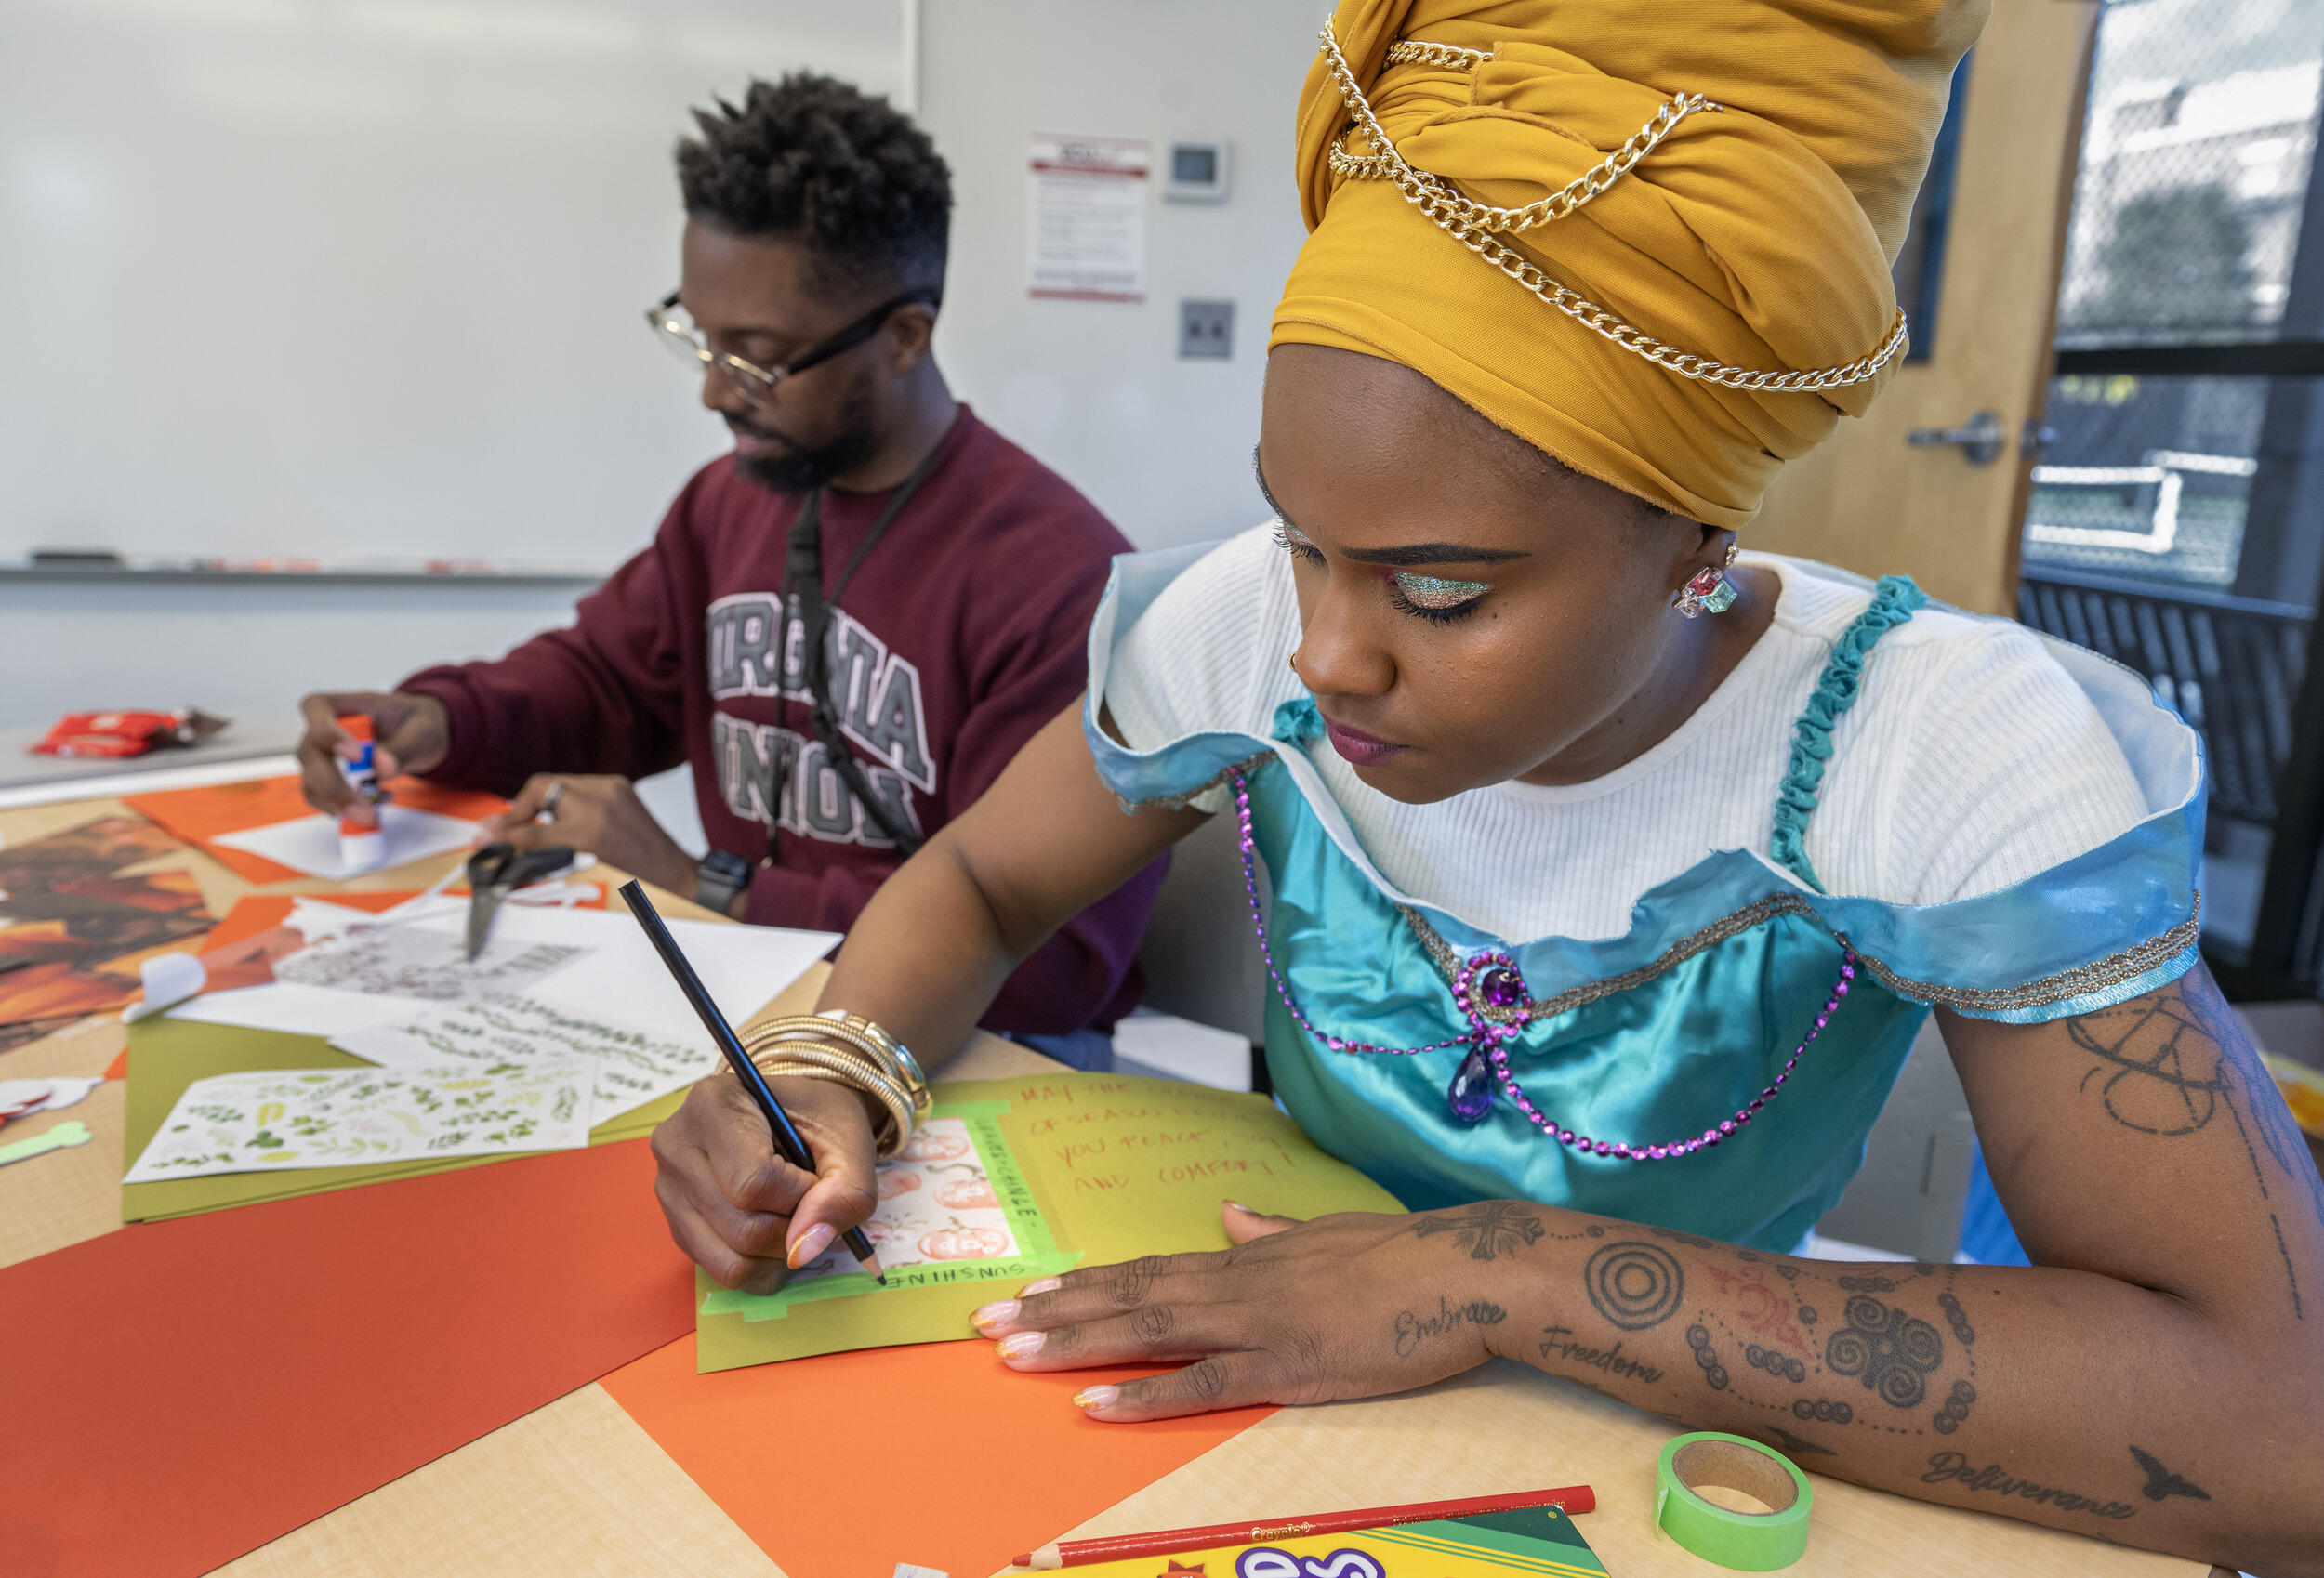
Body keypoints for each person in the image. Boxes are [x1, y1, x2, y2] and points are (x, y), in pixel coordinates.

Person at [647, 5, 2324, 1569]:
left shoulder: (1934, 750)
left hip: (1674, 1451)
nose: (1321, 652)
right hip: (1274, 1394)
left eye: (1438, 592)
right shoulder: (1248, 625)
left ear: (1694, 541)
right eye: (1298, 538)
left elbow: (2275, 1424)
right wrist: (831, 1062)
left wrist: (1503, 1272)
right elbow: (985, 882)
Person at [293, 73, 1160, 1059]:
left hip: (984, 1053)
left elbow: (1050, 963)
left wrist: (702, 882)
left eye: (753, 356)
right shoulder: (731, 501)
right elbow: (605, 681)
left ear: (905, 337)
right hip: (752, 999)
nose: (712, 391)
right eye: (698, 339)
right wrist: (445, 719)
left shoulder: (1060, 582)